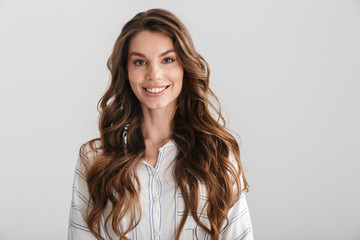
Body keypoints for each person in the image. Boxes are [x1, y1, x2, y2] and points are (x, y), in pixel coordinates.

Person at [68, 8, 254, 240]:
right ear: (126, 71)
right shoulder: (94, 158)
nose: (154, 74)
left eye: (167, 59)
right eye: (140, 62)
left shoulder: (218, 154)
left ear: (184, 66)